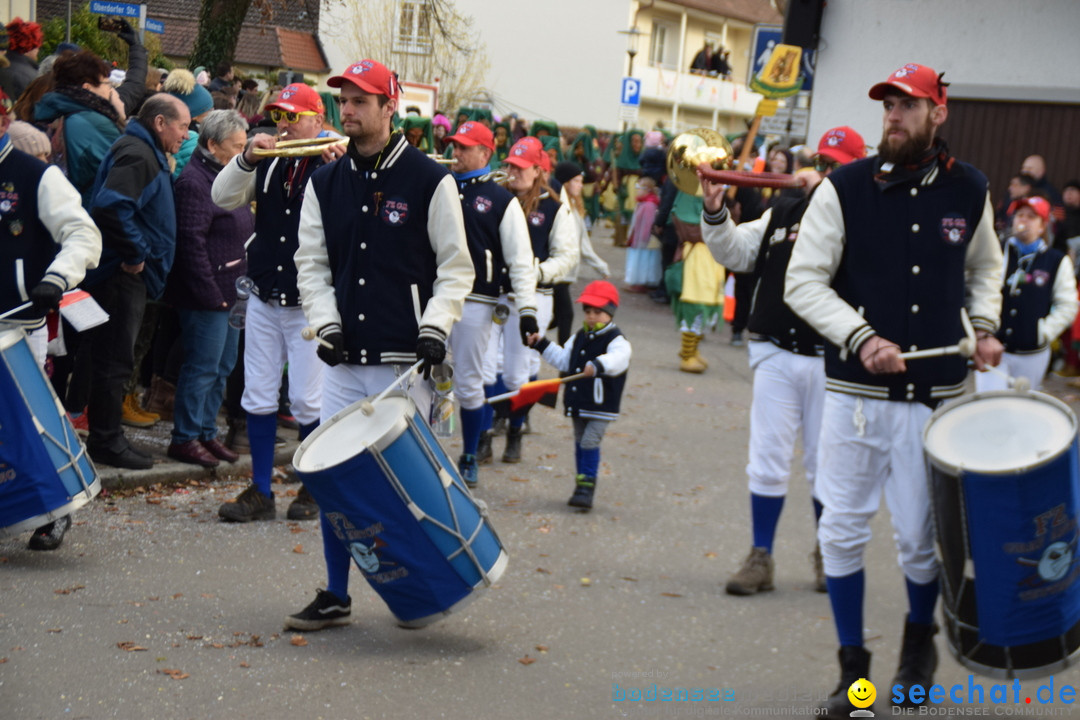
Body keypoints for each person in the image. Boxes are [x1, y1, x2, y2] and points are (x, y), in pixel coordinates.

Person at [784, 63, 1004, 715]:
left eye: (908, 106)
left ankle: (917, 650)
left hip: (935, 401)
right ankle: (853, 677)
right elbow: (804, 282)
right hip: (855, 399)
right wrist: (861, 338)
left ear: (938, 113)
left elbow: (987, 267)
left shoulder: (970, 190)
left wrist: (986, 325)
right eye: (888, 105)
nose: (894, 116)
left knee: (919, 538)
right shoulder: (843, 186)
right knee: (842, 536)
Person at [288, 58, 473, 630]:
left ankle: (424, 588)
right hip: (345, 358)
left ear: (390, 107)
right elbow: (311, 264)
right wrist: (326, 323)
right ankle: (337, 593)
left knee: (405, 487)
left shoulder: (429, 179)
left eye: (360, 101)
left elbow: (456, 267)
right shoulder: (324, 181)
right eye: (342, 99)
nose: (347, 110)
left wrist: (435, 327)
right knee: (335, 480)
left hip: (405, 362)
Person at [700, 126, 866, 597]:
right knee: (767, 459)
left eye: (838, 166)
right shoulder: (784, 208)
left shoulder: (864, 216)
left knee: (825, 464)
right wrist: (715, 208)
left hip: (831, 358)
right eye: (823, 163)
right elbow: (735, 250)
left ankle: (826, 553)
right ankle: (760, 557)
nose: (827, 173)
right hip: (775, 348)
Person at [211, 82, 339, 521]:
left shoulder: (335, 161)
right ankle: (261, 490)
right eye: (278, 116)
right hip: (265, 293)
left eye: (292, 116)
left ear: (317, 121)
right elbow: (221, 197)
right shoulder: (266, 162)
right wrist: (245, 158)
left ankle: (315, 486)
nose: (282, 125)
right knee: (259, 395)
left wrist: (345, 170)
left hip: (309, 302)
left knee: (307, 401)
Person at [0, 87, 101, 550]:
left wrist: (56, 278)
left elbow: (82, 233)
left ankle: (57, 508)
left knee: (29, 424)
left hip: (19, 321)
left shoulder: (37, 176)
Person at [84, 94, 191, 470]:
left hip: (127, 274)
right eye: (182, 125)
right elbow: (111, 204)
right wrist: (136, 253)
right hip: (120, 275)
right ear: (160, 123)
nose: (185, 133)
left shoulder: (144, 150)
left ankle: (108, 436)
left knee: (114, 358)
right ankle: (106, 441)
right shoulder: (139, 153)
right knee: (114, 360)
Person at [443, 120, 537, 487]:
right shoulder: (440, 186)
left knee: (468, 381)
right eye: (455, 145)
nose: (456, 152)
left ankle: (469, 454)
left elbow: (520, 260)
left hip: (477, 300)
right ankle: (426, 454)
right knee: (423, 378)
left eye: (464, 147)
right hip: (435, 295)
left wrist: (527, 311)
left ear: (485, 153)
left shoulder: (502, 200)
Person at [479, 136, 578, 465]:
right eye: (509, 165)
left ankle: (516, 431)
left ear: (538, 170)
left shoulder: (554, 208)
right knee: (486, 366)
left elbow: (567, 258)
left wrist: (535, 272)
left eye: (521, 167)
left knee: (518, 371)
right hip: (496, 294)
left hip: (534, 295)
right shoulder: (495, 198)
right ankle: (485, 432)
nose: (513, 172)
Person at [164, 110, 254, 466]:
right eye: (236, 147)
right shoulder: (194, 182)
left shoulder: (225, 173)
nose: (243, 153)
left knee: (223, 365)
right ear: (213, 145)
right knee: (202, 366)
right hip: (209, 295)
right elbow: (191, 244)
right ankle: (185, 436)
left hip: (231, 291)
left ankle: (206, 432)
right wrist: (210, 295)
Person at [526, 280, 631, 510]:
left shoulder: (617, 340)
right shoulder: (579, 336)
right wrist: (542, 344)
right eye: (588, 311)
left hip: (601, 404)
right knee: (579, 441)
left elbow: (618, 360)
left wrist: (598, 364)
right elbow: (564, 359)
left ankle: (587, 487)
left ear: (610, 313)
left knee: (590, 441)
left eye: (598, 312)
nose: (592, 316)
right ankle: (581, 483)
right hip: (578, 400)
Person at [974, 195, 1077, 392]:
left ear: (1042, 226)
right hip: (993, 346)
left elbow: (1067, 304)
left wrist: (1044, 332)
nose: (1023, 220)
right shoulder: (997, 250)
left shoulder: (1056, 260)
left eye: (1031, 217)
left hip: (1032, 353)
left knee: (1022, 407)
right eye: (1020, 215)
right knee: (989, 404)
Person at [34, 50, 127, 206]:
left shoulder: (56, 111)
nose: (111, 90)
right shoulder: (94, 121)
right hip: (87, 212)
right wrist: (121, 119)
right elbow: (121, 171)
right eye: (107, 84)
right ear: (87, 88)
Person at [553, 161, 609, 344]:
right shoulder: (558, 207)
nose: (579, 185)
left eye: (580, 181)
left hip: (567, 274)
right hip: (557, 272)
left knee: (555, 317)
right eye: (576, 181)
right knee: (565, 316)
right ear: (565, 183)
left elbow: (583, 245)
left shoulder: (575, 208)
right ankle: (564, 361)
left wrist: (600, 265)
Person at [624, 176, 662, 293]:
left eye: (638, 187)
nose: (636, 190)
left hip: (645, 242)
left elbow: (647, 225)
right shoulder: (643, 203)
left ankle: (643, 282)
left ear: (647, 190)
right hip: (638, 238)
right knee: (640, 260)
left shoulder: (649, 205)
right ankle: (638, 281)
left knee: (644, 261)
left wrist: (642, 239)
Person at [0, 18, 41, 101]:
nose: (38, 50)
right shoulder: (32, 77)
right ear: (28, 46)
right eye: (36, 46)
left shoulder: (4, 67)